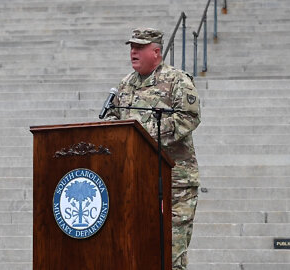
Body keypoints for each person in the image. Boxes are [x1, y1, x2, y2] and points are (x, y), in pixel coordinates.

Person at [104, 28, 201, 270]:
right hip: (136, 182)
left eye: (139, 47)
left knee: (170, 254)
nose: (132, 52)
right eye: (131, 47)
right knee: (138, 251)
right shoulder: (125, 85)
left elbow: (188, 117)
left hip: (175, 182)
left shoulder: (178, 81)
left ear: (156, 52)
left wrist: (141, 133)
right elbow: (113, 119)